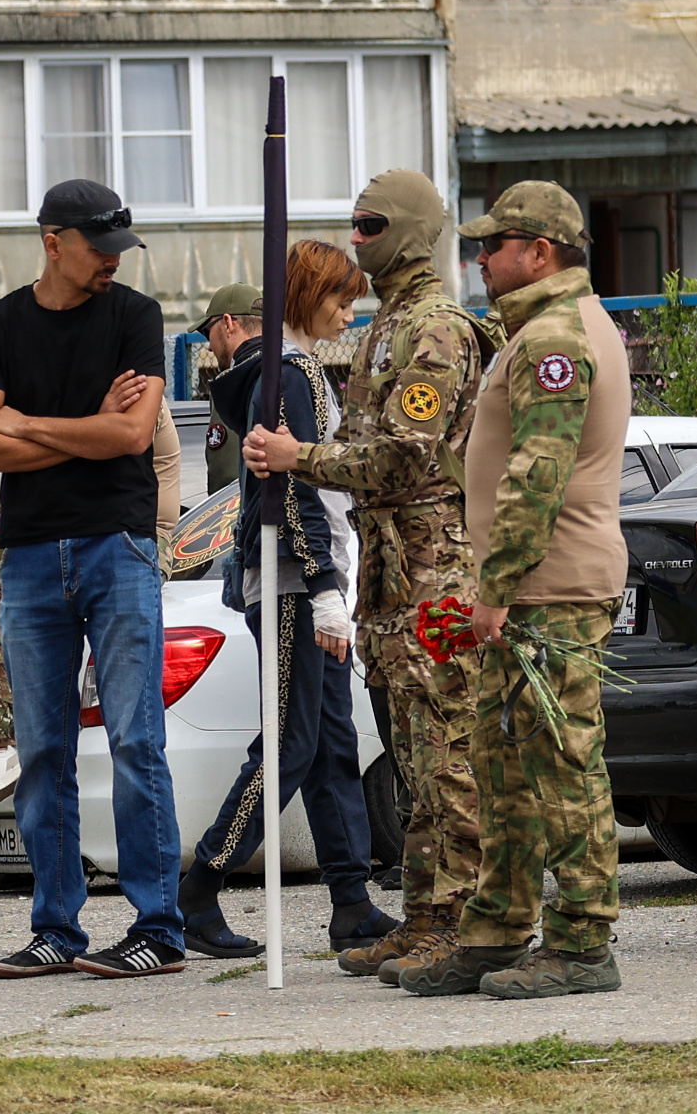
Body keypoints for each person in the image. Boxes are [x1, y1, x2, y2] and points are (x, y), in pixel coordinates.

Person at [246, 167, 494, 977]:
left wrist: (299, 457)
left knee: (449, 755)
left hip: (435, 572)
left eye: (373, 224)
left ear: (414, 232)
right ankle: (424, 915)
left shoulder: (434, 329)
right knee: (412, 759)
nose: (359, 239)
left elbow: (401, 453)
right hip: (389, 573)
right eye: (353, 224)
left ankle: (466, 924)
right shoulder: (386, 327)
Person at [395, 182, 631, 1000]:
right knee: (504, 768)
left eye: (493, 245)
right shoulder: (534, 331)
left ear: (540, 251)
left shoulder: (554, 340)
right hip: (528, 588)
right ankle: (497, 930)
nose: (480, 258)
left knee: (562, 767)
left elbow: (538, 477)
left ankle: (582, 944)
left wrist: (491, 590)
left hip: (549, 588)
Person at [0, 177, 183, 979]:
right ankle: (57, 927)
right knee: (44, 748)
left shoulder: (135, 316)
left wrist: (28, 422)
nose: (113, 266)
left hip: (117, 546)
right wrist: (79, 429)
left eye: (122, 250)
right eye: (100, 249)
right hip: (29, 554)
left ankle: (158, 928)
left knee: (134, 740)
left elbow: (130, 434)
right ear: (52, 241)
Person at [179, 241, 394, 958]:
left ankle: (353, 903)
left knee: (332, 746)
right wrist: (327, 591)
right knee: (291, 747)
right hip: (297, 584)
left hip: (304, 581)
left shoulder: (294, 373)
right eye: (340, 299)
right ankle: (201, 886)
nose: (350, 313)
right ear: (309, 296)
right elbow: (293, 492)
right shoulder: (292, 377)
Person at [0, 397, 184, 827]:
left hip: (135, 538)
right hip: (62, 536)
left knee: (128, 730)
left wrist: (26, 426)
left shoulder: (135, 389)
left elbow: (101, 447)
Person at [194, 283, 265, 493]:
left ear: (227, 323)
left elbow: (227, 478)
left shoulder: (244, 378)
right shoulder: (289, 369)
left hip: (241, 520)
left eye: (208, 333)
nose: (209, 345)